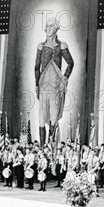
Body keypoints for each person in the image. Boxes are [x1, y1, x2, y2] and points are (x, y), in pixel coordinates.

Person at [34, 16, 74, 146]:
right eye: (48, 26)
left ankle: (51, 146)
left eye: (52, 26)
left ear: (56, 28)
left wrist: (64, 79)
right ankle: (41, 146)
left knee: (53, 117)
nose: (49, 28)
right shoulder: (41, 46)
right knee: (41, 118)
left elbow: (70, 63)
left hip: (56, 87)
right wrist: (36, 84)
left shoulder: (62, 45)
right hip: (43, 85)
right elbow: (36, 67)